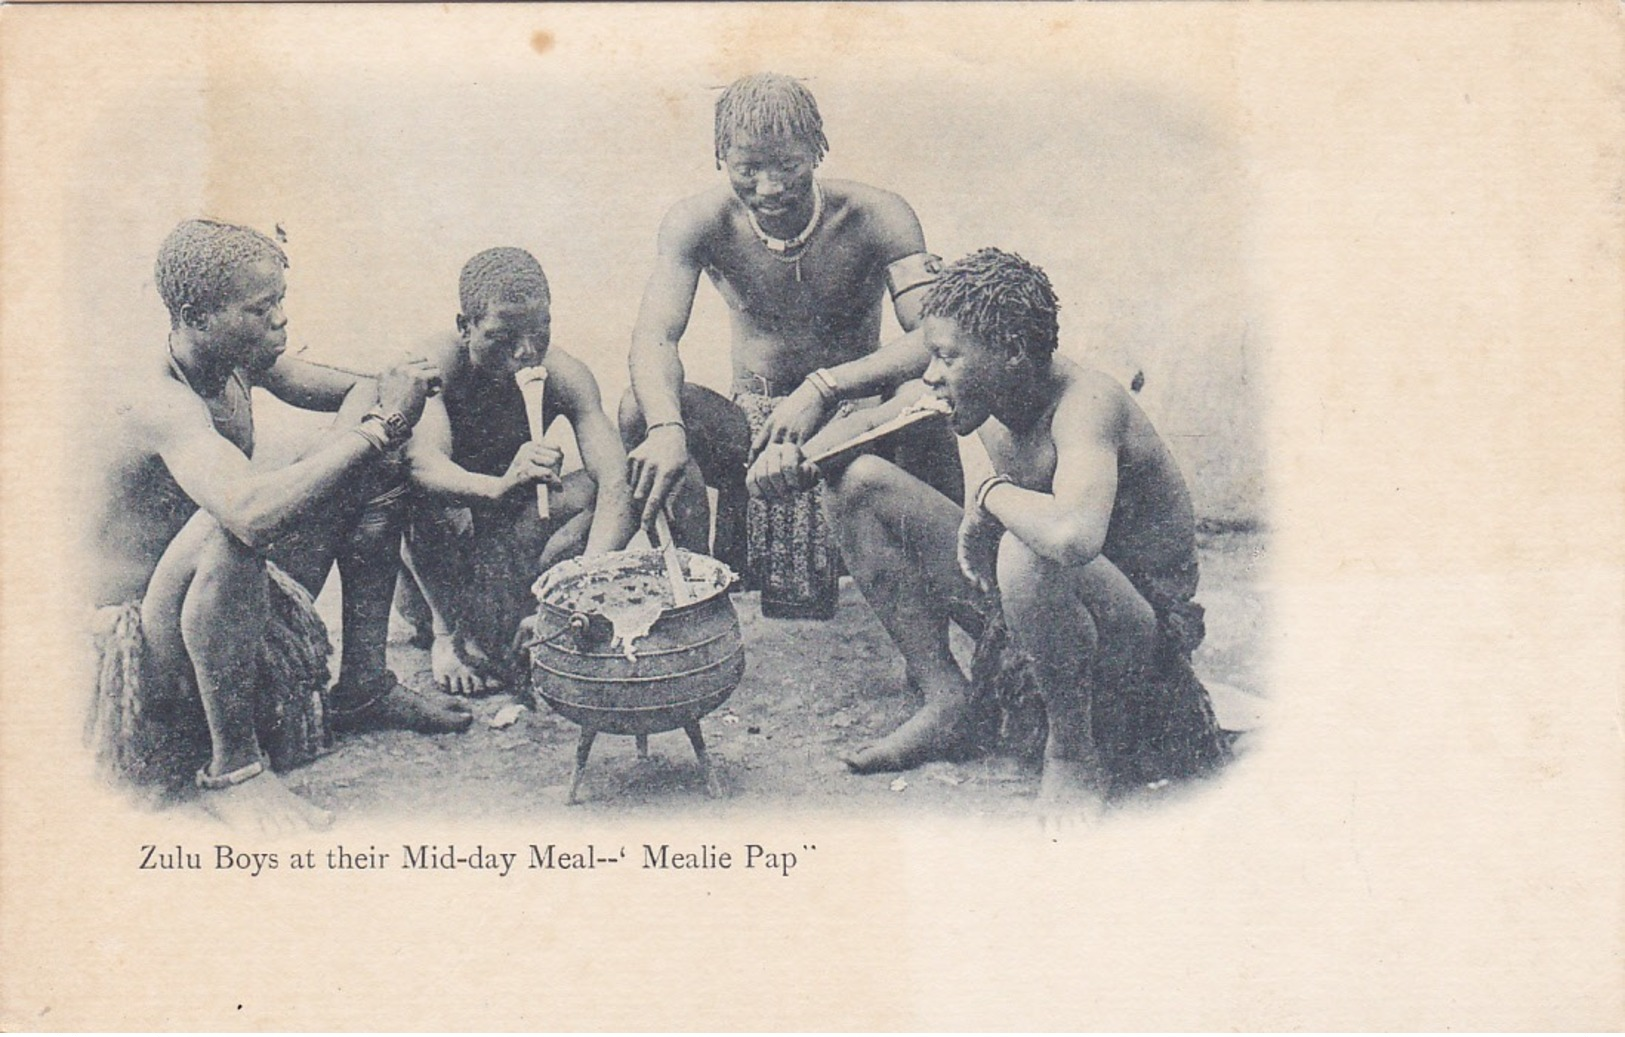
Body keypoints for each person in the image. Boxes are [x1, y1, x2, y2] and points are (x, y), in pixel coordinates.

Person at [748, 248, 1230, 815]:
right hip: (1040, 616)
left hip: (1136, 644)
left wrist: (991, 498)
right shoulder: (980, 387)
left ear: (1012, 354)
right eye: (931, 354)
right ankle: (945, 699)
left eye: (946, 357)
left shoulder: (1087, 405)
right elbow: (864, 429)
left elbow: (1074, 537)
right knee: (857, 485)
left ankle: (1072, 751)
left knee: (1028, 548)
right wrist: (789, 460)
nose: (930, 373)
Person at [88, 219, 472, 835]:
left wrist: (395, 407)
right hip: (142, 647)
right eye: (262, 308)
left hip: (209, 612)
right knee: (237, 520)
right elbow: (247, 512)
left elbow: (369, 393)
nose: (281, 321)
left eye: (281, 302)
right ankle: (234, 767)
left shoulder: (234, 361)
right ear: (197, 315)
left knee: (371, 462)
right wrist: (377, 426)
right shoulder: (159, 400)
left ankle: (365, 687)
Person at [621, 71, 962, 616]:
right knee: (644, 407)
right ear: (721, 157)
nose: (770, 187)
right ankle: (698, 606)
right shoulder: (698, 222)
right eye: (748, 169)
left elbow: (939, 337)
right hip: (752, 431)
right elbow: (654, 337)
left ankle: (946, 619)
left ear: (817, 150)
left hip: (856, 423)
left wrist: (826, 386)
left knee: (931, 409)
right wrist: (665, 429)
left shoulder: (878, 214)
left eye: (787, 165)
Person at [401, 247, 637, 696]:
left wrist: (581, 587)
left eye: (540, 331)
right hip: (443, 571)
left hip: (510, 554)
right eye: (502, 335)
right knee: (412, 488)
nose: (526, 351)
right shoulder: (433, 366)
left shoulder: (564, 373)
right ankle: (448, 637)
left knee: (614, 483)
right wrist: (497, 487)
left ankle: (551, 608)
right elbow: (424, 465)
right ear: (464, 327)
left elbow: (616, 480)